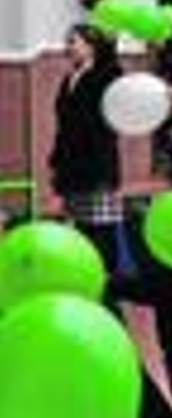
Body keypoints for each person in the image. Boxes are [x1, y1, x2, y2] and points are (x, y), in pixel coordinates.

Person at [49, 23, 123, 264]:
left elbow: (115, 73)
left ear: (91, 47)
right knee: (77, 227)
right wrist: (56, 160)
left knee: (101, 229)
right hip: (72, 165)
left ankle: (108, 274)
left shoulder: (106, 75)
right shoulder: (69, 78)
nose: (68, 47)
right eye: (67, 42)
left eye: (73, 42)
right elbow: (64, 124)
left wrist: (111, 44)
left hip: (97, 164)